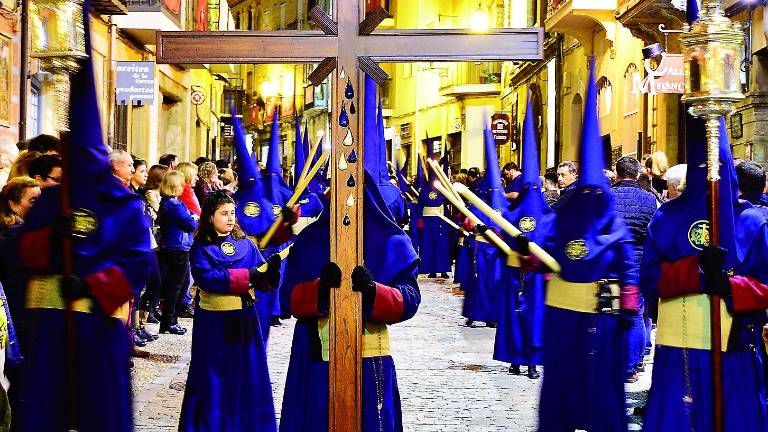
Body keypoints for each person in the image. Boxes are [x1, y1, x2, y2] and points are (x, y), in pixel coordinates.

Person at [16, 12, 151, 427]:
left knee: (98, 408)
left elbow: (138, 263)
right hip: (51, 327)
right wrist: (49, 241)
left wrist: (92, 284)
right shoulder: (51, 201)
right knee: (47, 405)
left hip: (98, 325)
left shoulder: (125, 207)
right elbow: (23, 254)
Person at [641, 115, 768, 432]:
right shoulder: (667, 218)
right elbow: (649, 280)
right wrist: (694, 270)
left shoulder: (752, 222)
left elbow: (765, 284)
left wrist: (729, 286)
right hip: (679, 348)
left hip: (734, 346)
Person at [532, 61, 639, 432]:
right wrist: (523, 249)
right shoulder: (562, 218)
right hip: (563, 309)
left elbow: (628, 267)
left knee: (600, 375)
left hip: (603, 308)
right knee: (562, 373)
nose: (592, 197)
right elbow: (539, 251)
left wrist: (626, 307)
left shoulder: (614, 221)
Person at [280, 170, 420, 432]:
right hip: (315, 355)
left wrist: (373, 292)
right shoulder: (311, 239)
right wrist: (320, 289)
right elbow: (288, 298)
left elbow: (409, 299)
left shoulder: (392, 241)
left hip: (370, 353)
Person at [179, 192, 281, 432]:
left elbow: (261, 275)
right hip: (215, 322)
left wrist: (270, 272)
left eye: (232, 213)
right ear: (210, 217)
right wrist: (248, 276)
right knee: (215, 376)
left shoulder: (246, 244)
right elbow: (207, 278)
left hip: (244, 319)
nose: (230, 218)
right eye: (224, 214)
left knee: (247, 373)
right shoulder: (200, 248)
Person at [494, 96, 550, 379]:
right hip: (517, 274)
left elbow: (552, 243)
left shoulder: (547, 215)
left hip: (535, 276)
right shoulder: (518, 213)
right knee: (516, 317)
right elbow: (502, 239)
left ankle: (530, 362)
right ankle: (517, 360)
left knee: (533, 318)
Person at [611, 156, 657, 382]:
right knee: (635, 313)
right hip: (638, 264)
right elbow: (652, 234)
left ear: (617, 174)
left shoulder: (608, 197)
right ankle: (632, 365)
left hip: (611, 264)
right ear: (638, 174)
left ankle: (610, 363)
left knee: (610, 312)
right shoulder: (649, 200)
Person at [156, 170, 198, 335]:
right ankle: (169, 321)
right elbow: (190, 223)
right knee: (176, 285)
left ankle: (171, 320)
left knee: (180, 284)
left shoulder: (172, 203)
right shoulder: (173, 204)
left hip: (177, 246)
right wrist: (193, 218)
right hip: (176, 247)